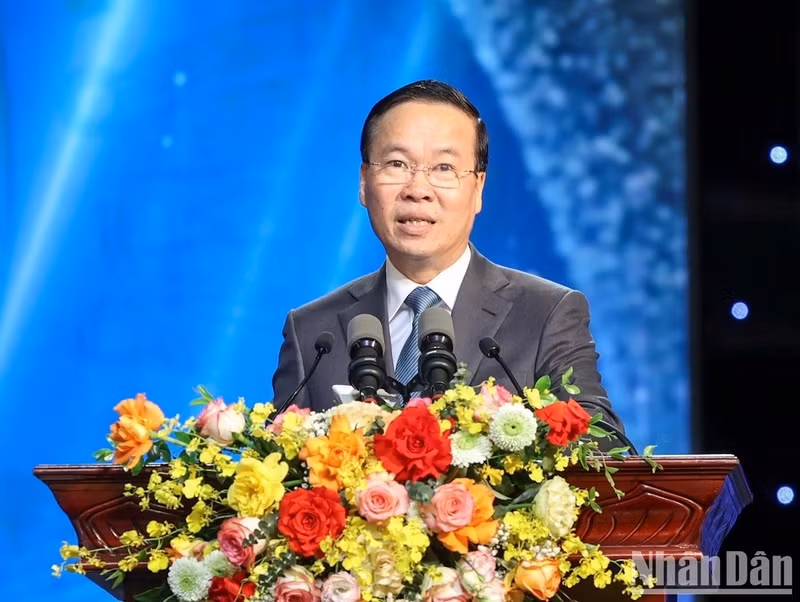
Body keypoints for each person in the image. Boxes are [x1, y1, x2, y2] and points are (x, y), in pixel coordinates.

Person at [271, 80, 623, 431]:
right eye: (396, 163)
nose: (418, 190)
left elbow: (601, 443)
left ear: (478, 187)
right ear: (364, 182)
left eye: (443, 168)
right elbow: (279, 457)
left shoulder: (546, 314)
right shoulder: (311, 332)